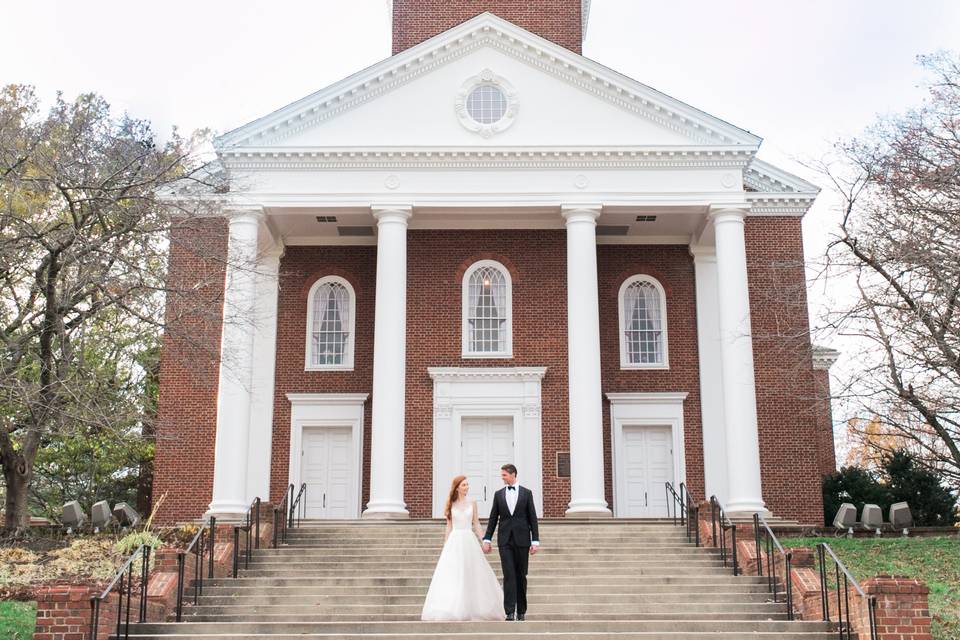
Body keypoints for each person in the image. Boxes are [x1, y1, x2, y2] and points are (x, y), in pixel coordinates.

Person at [420, 475, 504, 621]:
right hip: (455, 540)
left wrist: (484, 539)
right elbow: (449, 526)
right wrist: (446, 544)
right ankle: (453, 607)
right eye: (464, 485)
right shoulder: (450, 504)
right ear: (457, 487)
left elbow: (476, 523)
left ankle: (476, 607)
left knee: (472, 571)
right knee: (454, 573)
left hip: (469, 539)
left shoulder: (472, 503)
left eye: (467, 484)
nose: (467, 487)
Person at [482, 464, 540, 621]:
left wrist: (535, 540)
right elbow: (494, 518)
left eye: (504, 475)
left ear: (513, 474)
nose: (502, 478)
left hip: (522, 540)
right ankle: (509, 611)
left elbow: (532, 518)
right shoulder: (498, 494)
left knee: (521, 575)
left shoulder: (527, 494)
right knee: (509, 575)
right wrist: (487, 538)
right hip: (505, 540)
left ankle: (521, 611)